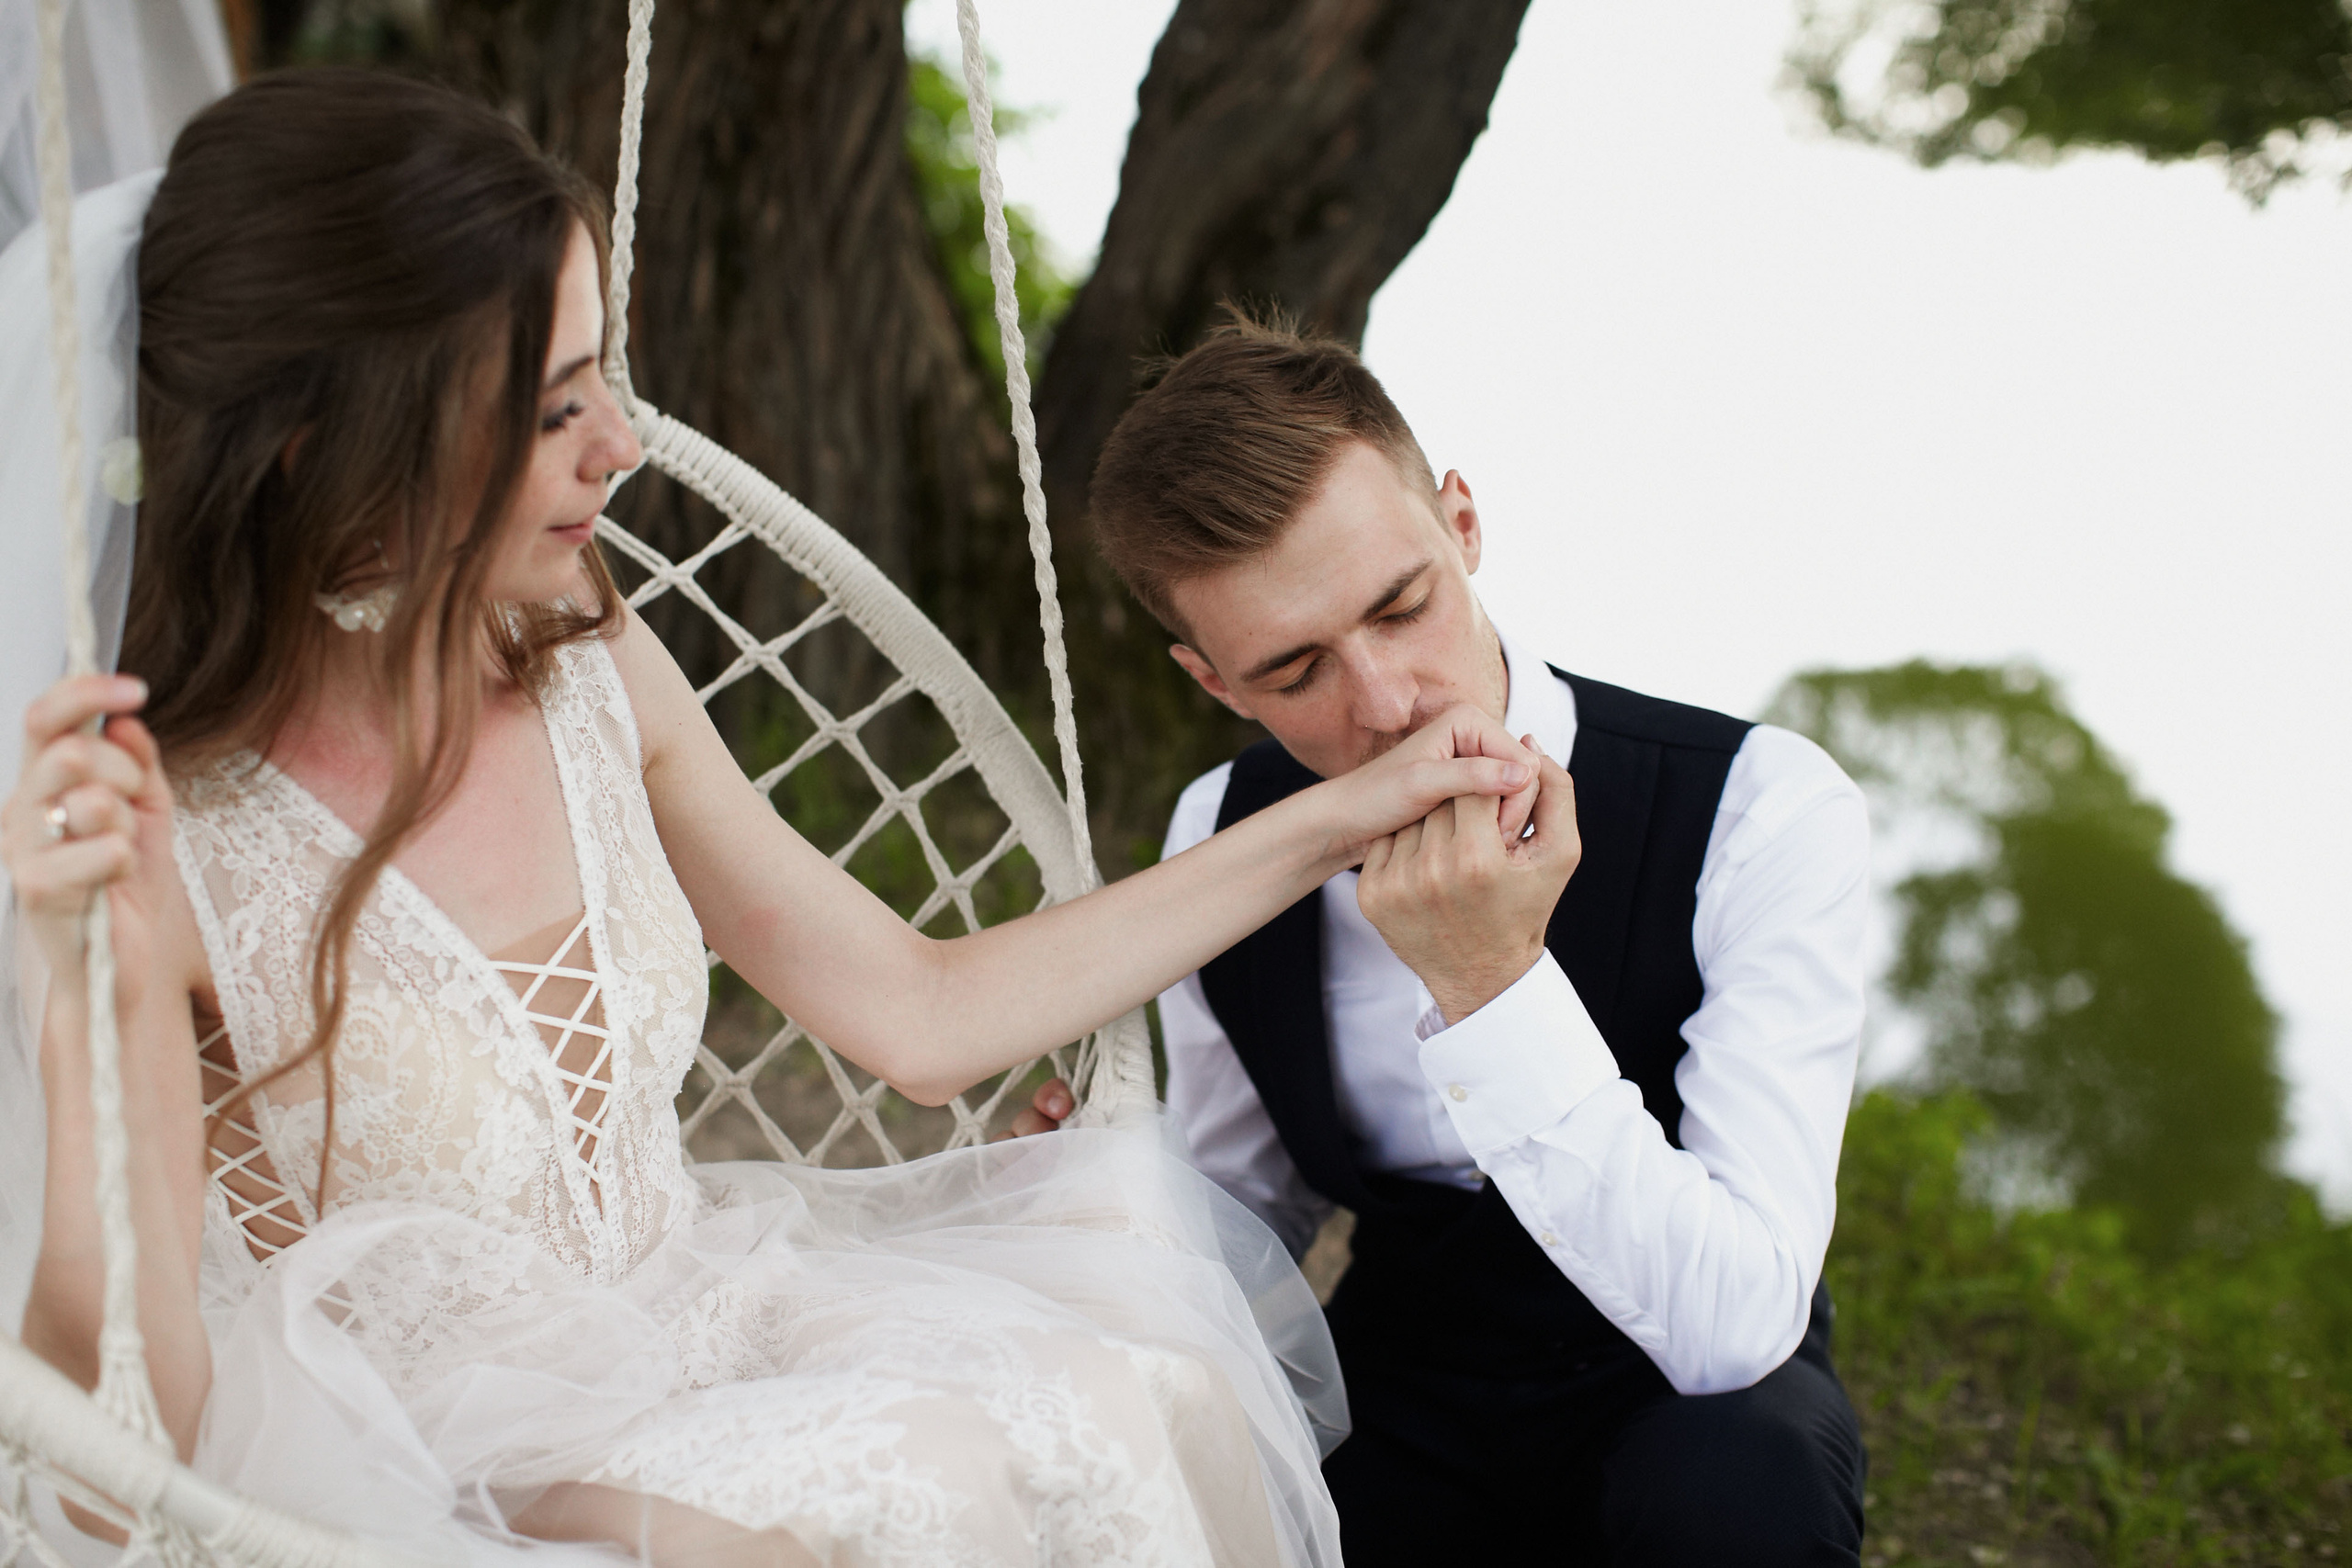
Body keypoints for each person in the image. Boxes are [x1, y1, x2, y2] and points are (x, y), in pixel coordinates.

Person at [0, 72, 1563, 1566]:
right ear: (321, 435)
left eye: (600, 374)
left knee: (1116, 1396)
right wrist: (85, 982)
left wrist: (1343, 811)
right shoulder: (158, 835)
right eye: (553, 411)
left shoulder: (582, 658)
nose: (621, 444)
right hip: (420, 1457)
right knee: (905, 1493)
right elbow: (131, 1407)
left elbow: (921, 1012)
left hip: (696, 1312)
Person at [1025, 313, 1873, 1566]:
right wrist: (1118, 1200)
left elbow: (1738, 1324)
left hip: (1692, 1395)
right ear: (1215, 682)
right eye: (1294, 671)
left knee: (1736, 1496)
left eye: (1403, 607)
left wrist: (1490, 985)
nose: (1384, 705)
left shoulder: (1765, 809)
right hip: (1402, 1382)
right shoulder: (1222, 828)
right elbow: (1255, 1193)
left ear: (1463, 526)